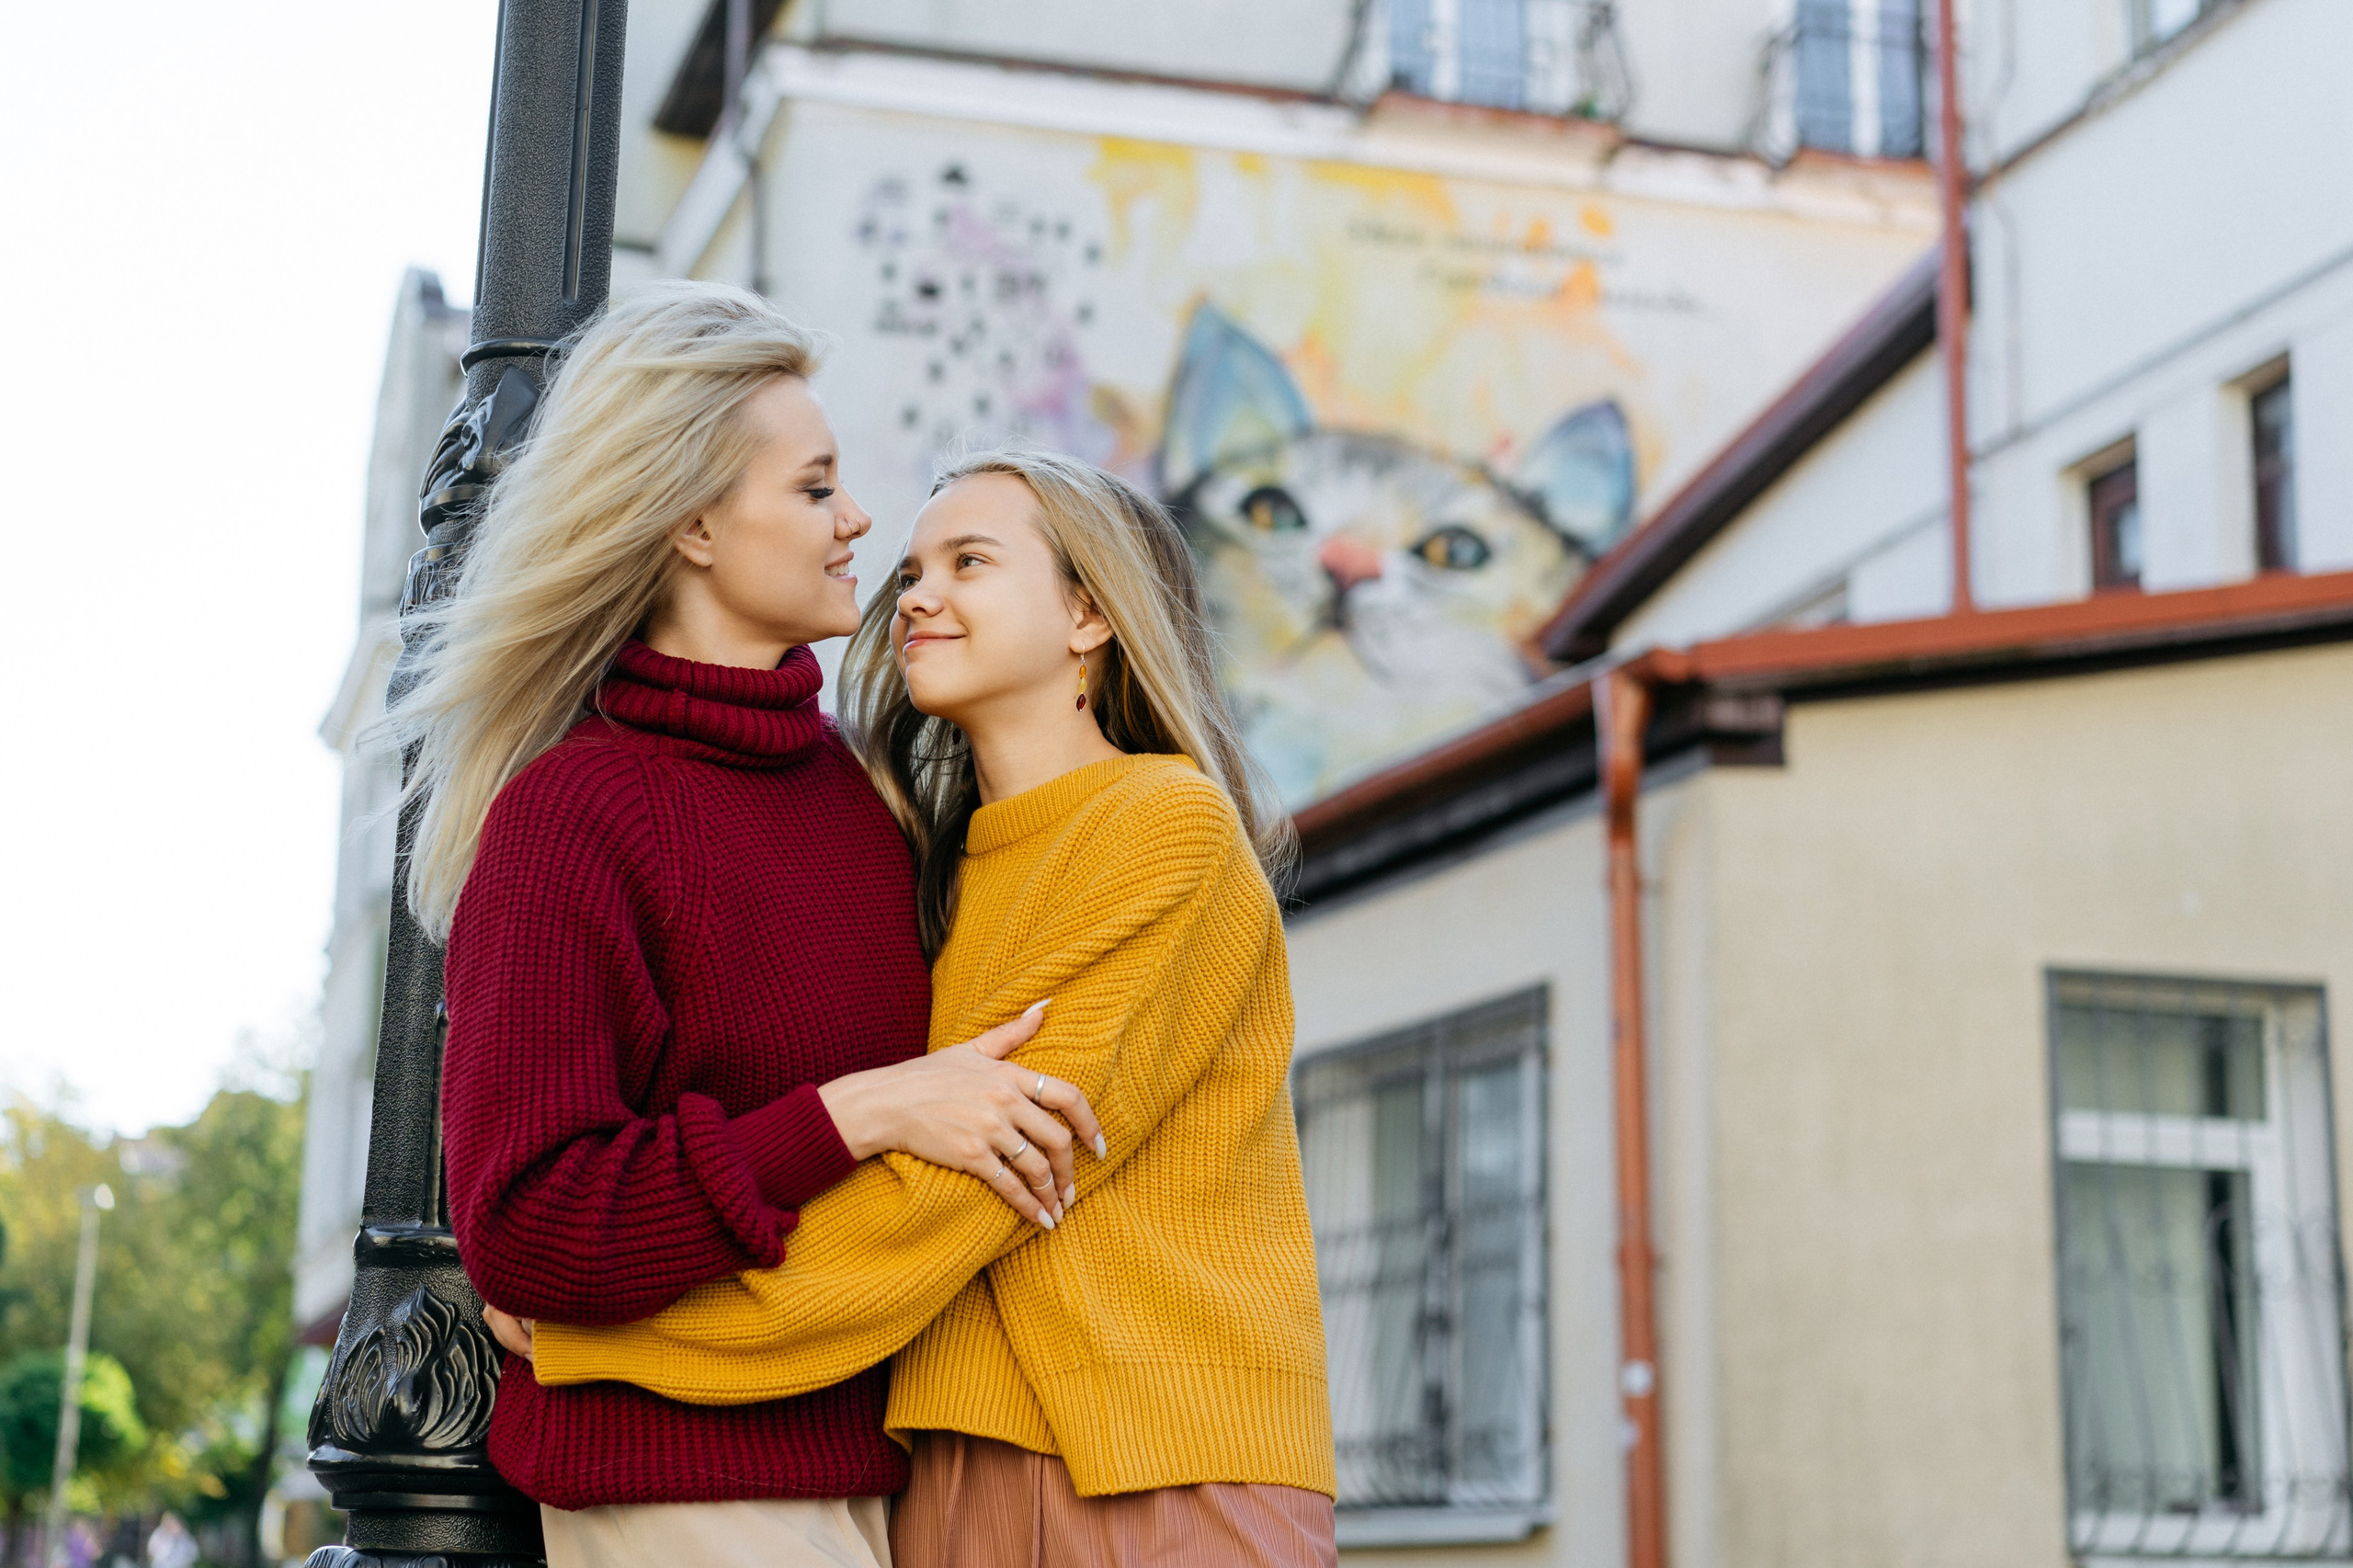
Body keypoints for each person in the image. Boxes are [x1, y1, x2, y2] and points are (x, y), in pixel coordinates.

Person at [515, 449, 1339, 1566]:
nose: (914, 594)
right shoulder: (926, 863)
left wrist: (601, 1333)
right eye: (908, 567)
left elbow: (945, 1198)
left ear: (1088, 613)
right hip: (947, 1464)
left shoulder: (1165, 830)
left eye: (969, 561)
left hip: (1158, 1460)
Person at [392, 282, 1103, 1568]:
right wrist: (862, 1110)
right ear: (697, 525)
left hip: (875, 1479)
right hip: (677, 1494)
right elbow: (532, 1221)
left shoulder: (855, 795)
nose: (859, 518)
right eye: (816, 486)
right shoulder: (576, 811)